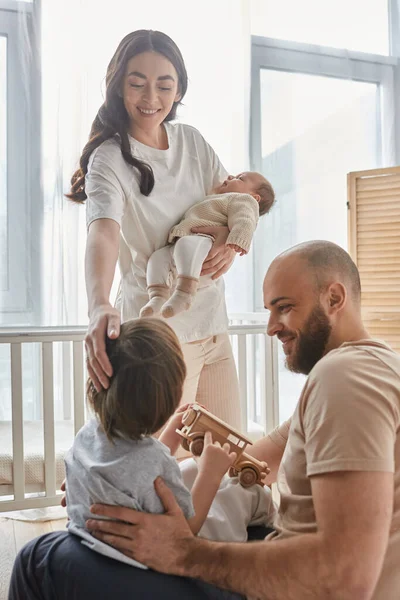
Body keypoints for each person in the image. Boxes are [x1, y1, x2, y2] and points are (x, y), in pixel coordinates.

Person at [9, 240, 400, 600]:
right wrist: (113, 477)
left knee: (39, 559)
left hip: (288, 587)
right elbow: (253, 463)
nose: (270, 328)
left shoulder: (345, 378)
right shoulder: (362, 369)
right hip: (279, 552)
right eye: (269, 311)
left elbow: (345, 576)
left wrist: (185, 554)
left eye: (285, 307)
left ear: (334, 298)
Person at [66, 28, 247, 429]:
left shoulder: (193, 142)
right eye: (137, 84)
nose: (151, 99)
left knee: (230, 463)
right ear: (118, 86)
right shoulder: (109, 159)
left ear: (179, 89)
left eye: (164, 85)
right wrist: (98, 304)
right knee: (155, 468)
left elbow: (230, 203)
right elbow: (103, 232)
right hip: (157, 338)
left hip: (213, 325)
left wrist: (227, 244)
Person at [65, 317, 275, 568]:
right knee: (239, 491)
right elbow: (186, 530)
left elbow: (142, 467)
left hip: (94, 541)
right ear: (168, 401)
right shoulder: (156, 459)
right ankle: (266, 514)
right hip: (156, 553)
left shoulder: (88, 435)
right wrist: (211, 473)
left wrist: (173, 433)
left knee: (190, 468)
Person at [139, 172, 275, 318]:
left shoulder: (243, 200)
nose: (230, 177)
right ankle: (157, 297)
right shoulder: (216, 198)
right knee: (158, 257)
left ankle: (184, 293)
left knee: (186, 245)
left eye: (239, 179)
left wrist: (239, 239)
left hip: (206, 241)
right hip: (185, 242)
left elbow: (245, 219)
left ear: (254, 198)